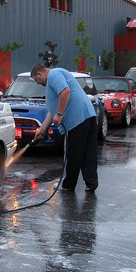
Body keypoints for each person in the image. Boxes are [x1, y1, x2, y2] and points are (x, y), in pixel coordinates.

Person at [30, 64, 98, 192]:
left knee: (72, 154)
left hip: (76, 120)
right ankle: (91, 183)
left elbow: (65, 91)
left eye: (36, 80)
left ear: (39, 73)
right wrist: (42, 129)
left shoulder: (54, 74)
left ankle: (68, 184)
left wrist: (60, 114)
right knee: (88, 153)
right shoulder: (56, 76)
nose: (38, 83)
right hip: (87, 115)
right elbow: (52, 110)